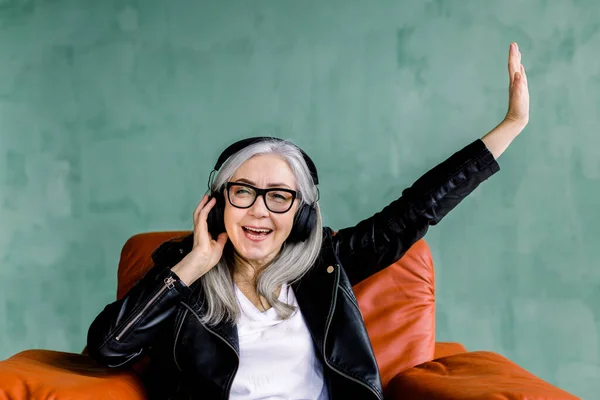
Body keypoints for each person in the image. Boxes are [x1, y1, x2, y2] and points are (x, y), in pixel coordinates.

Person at [87, 43, 529, 400]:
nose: (259, 210)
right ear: (218, 202)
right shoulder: (181, 271)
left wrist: (509, 125)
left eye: (279, 197)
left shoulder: (327, 264)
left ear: (302, 214)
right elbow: (106, 349)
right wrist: (195, 264)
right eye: (243, 192)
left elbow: (416, 210)